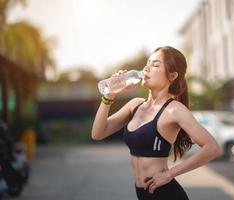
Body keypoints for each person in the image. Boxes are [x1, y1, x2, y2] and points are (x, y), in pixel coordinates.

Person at [91, 46, 221, 200]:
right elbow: (98, 134)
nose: (146, 68)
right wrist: (109, 96)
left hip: (165, 194)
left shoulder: (174, 110)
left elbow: (212, 148)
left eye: (155, 65)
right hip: (143, 194)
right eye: (148, 62)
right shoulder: (135, 105)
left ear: (172, 76)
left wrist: (169, 174)